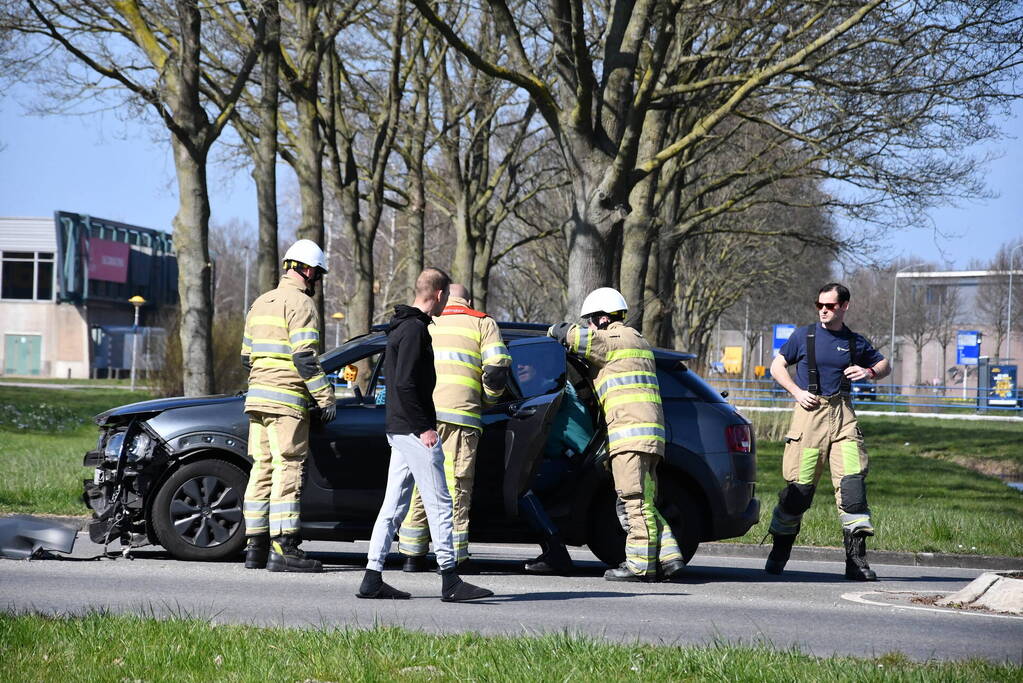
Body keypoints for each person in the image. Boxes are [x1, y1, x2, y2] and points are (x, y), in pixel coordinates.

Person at [358, 268, 493, 602]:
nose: (446, 302)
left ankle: (372, 578)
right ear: (438, 295)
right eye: (445, 296)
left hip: (399, 430)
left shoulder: (401, 328)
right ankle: (451, 580)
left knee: (393, 507)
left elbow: (400, 383)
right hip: (414, 432)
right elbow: (405, 383)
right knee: (440, 503)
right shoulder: (416, 331)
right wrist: (425, 428)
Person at [548, 287, 684, 582]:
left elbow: (572, 336)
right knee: (644, 501)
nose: (588, 327)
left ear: (603, 318)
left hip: (628, 434)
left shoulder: (611, 339)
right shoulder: (639, 341)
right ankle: (669, 555)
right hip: (649, 437)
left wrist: (553, 331)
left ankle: (638, 566)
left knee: (632, 501)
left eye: (590, 321)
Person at [765, 282, 890, 581]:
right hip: (810, 417)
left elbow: (884, 365)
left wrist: (870, 372)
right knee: (800, 490)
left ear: (844, 306)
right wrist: (796, 391)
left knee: (853, 490)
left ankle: (856, 562)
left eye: (830, 306)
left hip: (844, 416)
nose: (823, 310)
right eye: (819, 305)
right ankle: (780, 549)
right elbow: (776, 366)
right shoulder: (803, 336)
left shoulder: (854, 342)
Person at [398, 284, 511, 571]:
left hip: (423, 417)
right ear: (468, 300)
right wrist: (487, 399)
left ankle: (411, 554)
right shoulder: (482, 322)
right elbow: (497, 370)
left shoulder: (426, 322)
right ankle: (454, 558)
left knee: (421, 484)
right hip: (461, 418)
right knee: (456, 486)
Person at [240, 239, 336, 573]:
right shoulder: (302, 305)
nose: (317, 282)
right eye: (318, 276)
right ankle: (285, 549)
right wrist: (326, 398)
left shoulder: (259, 303)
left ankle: (255, 546)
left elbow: (245, 358)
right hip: (286, 403)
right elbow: (305, 359)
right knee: (289, 469)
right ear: (307, 271)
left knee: (261, 468)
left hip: (257, 398)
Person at [518, 374, 594, 574]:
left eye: (528, 363)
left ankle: (556, 553)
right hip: (567, 456)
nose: (523, 367)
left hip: (571, 458)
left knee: (522, 487)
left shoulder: (550, 384)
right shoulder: (554, 382)